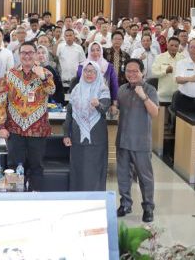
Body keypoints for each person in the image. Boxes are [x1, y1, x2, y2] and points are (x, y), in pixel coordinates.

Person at [0, 42, 55, 191]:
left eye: (30, 52)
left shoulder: (46, 73)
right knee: (13, 166)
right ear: (19, 55)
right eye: (24, 53)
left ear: (36, 54)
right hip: (14, 130)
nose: (27, 55)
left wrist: (42, 76)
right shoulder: (9, 74)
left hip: (38, 130)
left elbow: (51, 90)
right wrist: (1, 126)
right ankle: (14, 199)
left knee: (36, 167)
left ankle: (35, 200)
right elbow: (2, 101)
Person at [116, 58, 159, 223]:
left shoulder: (150, 89)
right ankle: (125, 203)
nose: (131, 74)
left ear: (143, 72)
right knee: (123, 176)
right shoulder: (122, 89)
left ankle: (148, 207)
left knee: (145, 177)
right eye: (128, 71)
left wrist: (144, 97)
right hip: (123, 140)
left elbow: (155, 113)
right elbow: (116, 109)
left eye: (135, 71)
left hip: (141, 141)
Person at [63, 61, 111, 191]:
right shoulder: (76, 89)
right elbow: (69, 113)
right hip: (77, 137)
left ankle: (95, 201)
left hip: (96, 139)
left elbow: (105, 109)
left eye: (92, 71)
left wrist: (98, 105)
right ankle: (78, 201)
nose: (88, 74)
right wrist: (66, 134)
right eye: (86, 71)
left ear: (97, 74)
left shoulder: (103, 89)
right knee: (78, 170)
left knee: (95, 170)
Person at [76, 42, 119, 111]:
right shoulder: (82, 67)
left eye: (98, 50)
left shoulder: (108, 66)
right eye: (92, 50)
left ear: (101, 51)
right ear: (89, 52)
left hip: (104, 101)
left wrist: (114, 103)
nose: (95, 52)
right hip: (85, 102)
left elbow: (114, 85)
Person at [151, 37, 185, 104]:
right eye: (171, 45)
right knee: (163, 114)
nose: (174, 47)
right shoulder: (160, 57)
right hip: (163, 97)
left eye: (176, 46)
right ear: (167, 45)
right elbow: (154, 73)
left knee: (178, 114)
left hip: (179, 95)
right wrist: (165, 71)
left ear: (179, 47)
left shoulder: (182, 58)